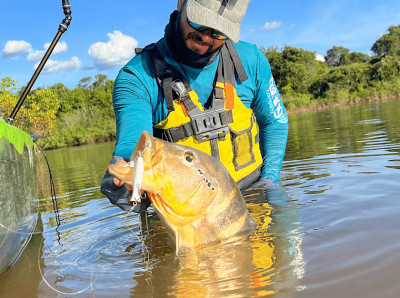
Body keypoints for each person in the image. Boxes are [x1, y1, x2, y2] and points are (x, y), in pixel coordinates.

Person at [101, 0, 289, 212]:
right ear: (182, 4)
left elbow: (275, 122)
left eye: (219, 32)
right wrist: (126, 172)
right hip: (184, 211)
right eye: (199, 23)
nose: (206, 37)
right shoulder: (137, 77)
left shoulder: (252, 60)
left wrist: (270, 179)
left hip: (252, 197)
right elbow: (133, 143)